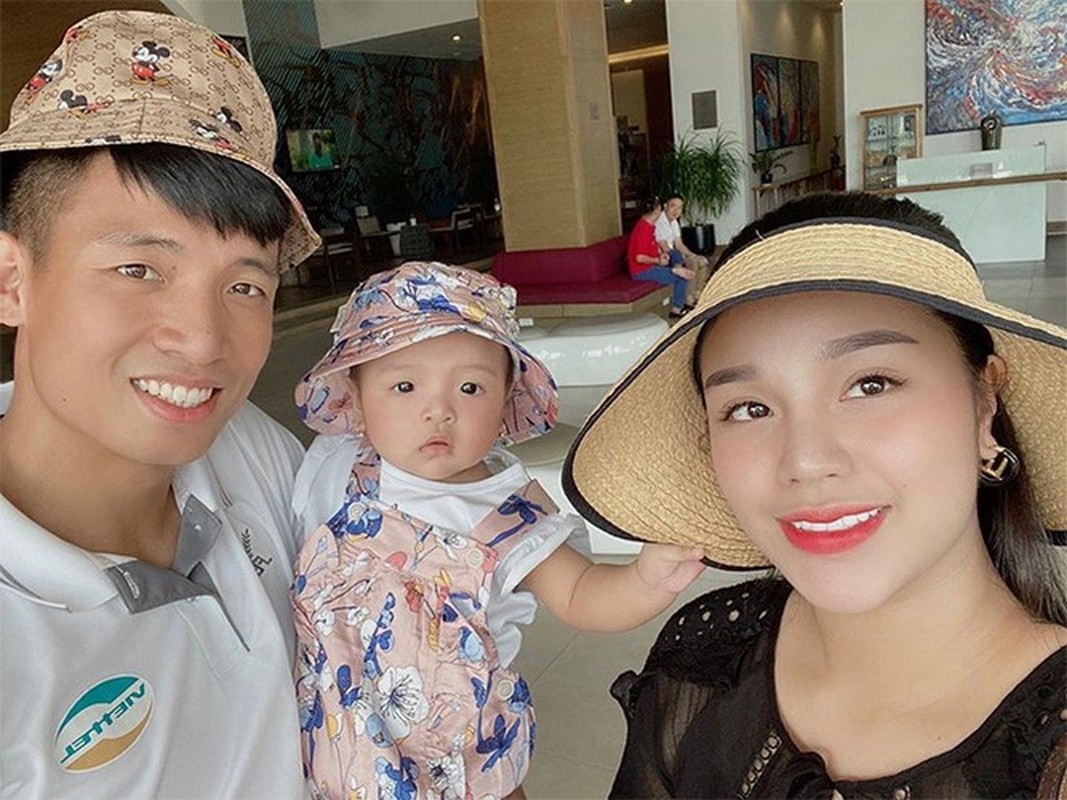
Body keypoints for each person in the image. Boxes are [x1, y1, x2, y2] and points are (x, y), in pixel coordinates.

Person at [563, 193, 1067, 797]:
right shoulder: (707, 657)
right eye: (749, 408)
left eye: (870, 384)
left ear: (984, 405)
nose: (805, 462)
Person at [0, 11, 321, 796]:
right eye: (139, 270)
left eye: (244, 286)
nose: (203, 342)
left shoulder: (252, 452)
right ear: (11, 280)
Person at [289, 262, 705, 800]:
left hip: (460, 758)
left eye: (470, 387)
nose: (438, 410)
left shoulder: (505, 510)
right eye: (404, 385)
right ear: (356, 399)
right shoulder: (335, 465)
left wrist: (646, 579)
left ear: (507, 398)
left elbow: (580, 593)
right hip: (341, 740)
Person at [627, 197, 691, 319]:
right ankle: (676, 310)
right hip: (641, 271)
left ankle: (676, 268)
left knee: (676, 257)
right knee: (681, 277)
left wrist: (661, 256)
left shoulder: (648, 225)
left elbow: (650, 250)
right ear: (657, 209)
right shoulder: (644, 228)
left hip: (649, 266)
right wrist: (657, 260)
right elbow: (639, 258)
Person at [654, 193, 710, 306]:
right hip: (664, 258)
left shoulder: (674, 222)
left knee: (702, 261)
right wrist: (683, 257)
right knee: (693, 262)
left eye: (679, 208)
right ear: (665, 206)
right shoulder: (660, 222)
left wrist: (692, 254)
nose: (676, 211)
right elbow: (665, 248)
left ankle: (697, 293)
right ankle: (688, 298)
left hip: (674, 254)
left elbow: (679, 244)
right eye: (673, 206)